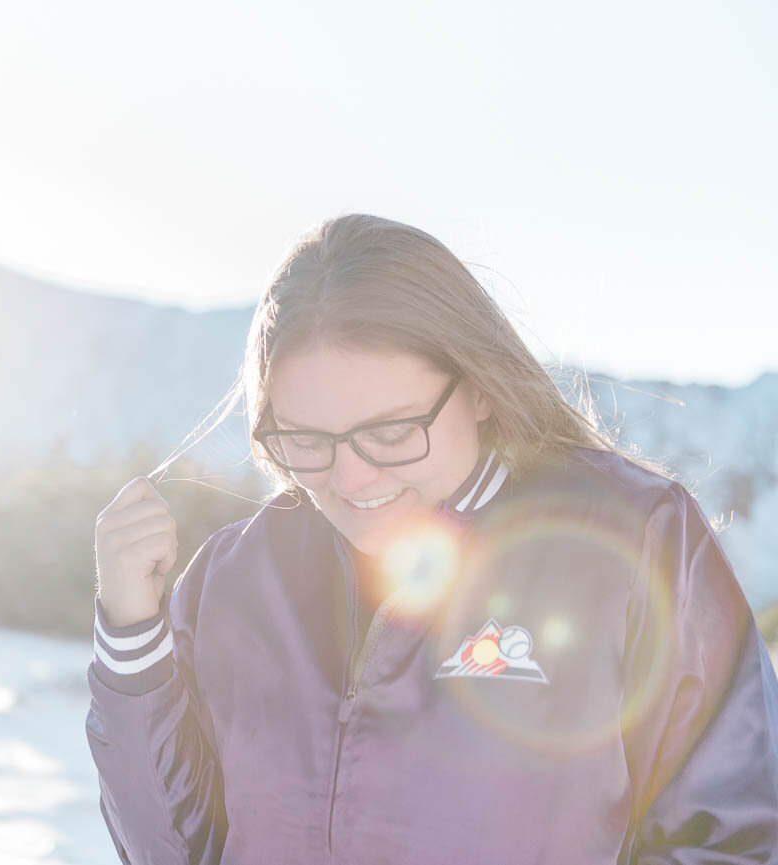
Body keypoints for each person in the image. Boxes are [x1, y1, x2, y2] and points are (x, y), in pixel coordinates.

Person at [86, 213, 778, 864]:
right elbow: (177, 849)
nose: (351, 477)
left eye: (390, 430)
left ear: (479, 388)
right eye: (305, 438)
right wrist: (131, 641)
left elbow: (733, 836)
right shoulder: (238, 577)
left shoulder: (631, 540)